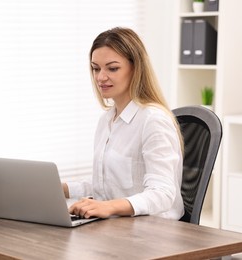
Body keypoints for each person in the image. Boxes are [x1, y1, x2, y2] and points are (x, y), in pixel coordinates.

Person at [63, 27, 184, 221]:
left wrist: (109, 207)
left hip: (153, 232)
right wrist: (62, 189)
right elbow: (107, 185)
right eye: (96, 68)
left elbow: (162, 194)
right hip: (116, 227)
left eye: (112, 68)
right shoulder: (106, 121)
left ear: (135, 68)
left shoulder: (153, 121)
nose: (100, 77)